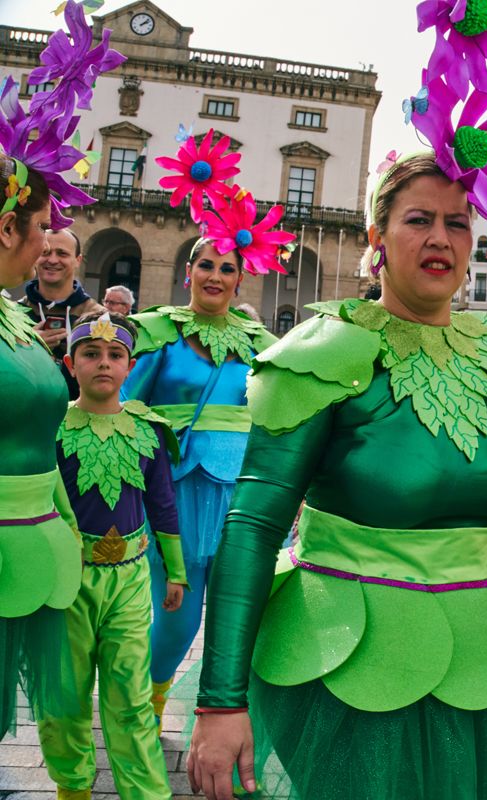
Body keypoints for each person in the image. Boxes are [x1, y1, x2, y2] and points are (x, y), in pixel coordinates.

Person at [186, 151, 487, 799]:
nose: (440, 238)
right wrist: (220, 703)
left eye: (458, 222)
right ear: (377, 238)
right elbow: (252, 527)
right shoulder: (323, 355)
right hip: (348, 669)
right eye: (419, 219)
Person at [122, 126, 290, 730]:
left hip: (243, 497)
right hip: (176, 495)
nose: (216, 275)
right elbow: (125, 410)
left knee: (239, 612)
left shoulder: (259, 345)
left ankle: (227, 719)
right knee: (177, 613)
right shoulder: (159, 332)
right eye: (206, 265)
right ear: (187, 271)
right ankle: (148, 703)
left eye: (227, 267)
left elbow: (291, 400)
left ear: (241, 280)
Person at [0, 1, 124, 743]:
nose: (51, 242)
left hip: (29, 553)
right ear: (9, 225)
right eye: (44, 225)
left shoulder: (11, 316)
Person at [36, 311, 187, 800]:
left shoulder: (147, 429)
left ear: (130, 364)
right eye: (91, 354)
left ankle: (145, 792)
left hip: (128, 580)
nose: (104, 363)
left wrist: (176, 574)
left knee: (131, 696)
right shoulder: (53, 429)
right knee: (65, 693)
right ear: (70, 363)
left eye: (115, 355)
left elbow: (163, 503)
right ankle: (73, 788)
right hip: (67, 583)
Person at [19, 228, 103, 398]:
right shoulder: (14, 314)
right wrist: (24, 347)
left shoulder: (98, 317)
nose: (52, 260)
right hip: (22, 414)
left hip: (77, 416)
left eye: (62, 254)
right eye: (46, 252)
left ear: (78, 260)